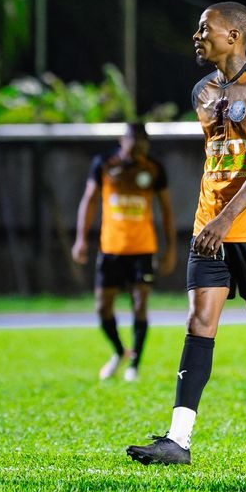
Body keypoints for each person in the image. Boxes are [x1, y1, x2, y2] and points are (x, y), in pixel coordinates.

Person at [126, 1, 246, 465]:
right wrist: (211, 218)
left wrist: (227, 219)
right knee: (199, 320)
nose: (197, 35)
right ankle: (178, 441)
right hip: (209, 225)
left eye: (206, 28)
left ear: (234, 36)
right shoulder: (201, 91)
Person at [71, 123, 176, 382]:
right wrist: (81, 238)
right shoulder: (104, 164)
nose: (139, 145)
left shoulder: (153, 168)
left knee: (140, 304)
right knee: (102, 307)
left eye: (144, 141)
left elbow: (166, 210)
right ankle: (119, 352)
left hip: (142, 249)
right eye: (134, 139)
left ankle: (134, 366)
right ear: (122, 140)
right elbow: (89, 199)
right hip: (111, 249)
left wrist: (171, 248)